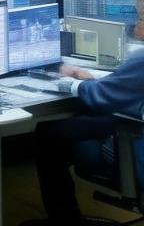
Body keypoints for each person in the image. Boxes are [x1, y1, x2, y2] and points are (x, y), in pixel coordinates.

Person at [20, 50, 144, 226]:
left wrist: (70, 83)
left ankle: (64, 220)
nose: (137, 22)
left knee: (49, 134)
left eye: (140, 19)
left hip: (135, 149)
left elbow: (103, 96)